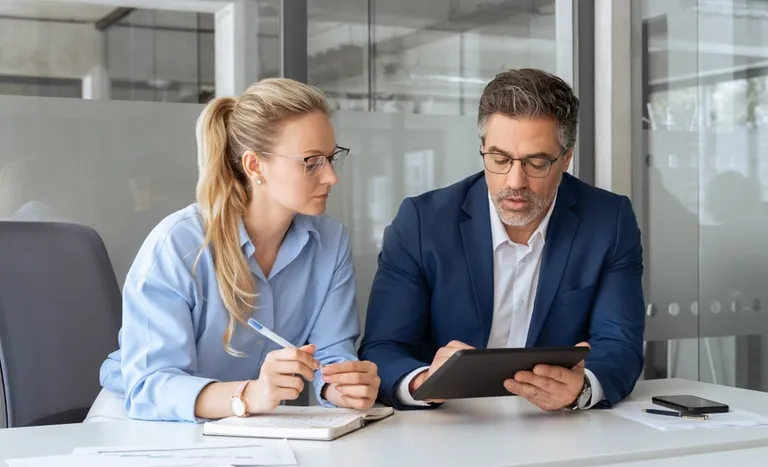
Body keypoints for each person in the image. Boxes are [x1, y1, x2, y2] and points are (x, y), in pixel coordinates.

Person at [90, 78, 380, 423]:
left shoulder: (331, 242)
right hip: (140, 424)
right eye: (311, 161)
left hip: (246, 428)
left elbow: (331, 355)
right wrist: (249, 394)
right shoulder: (179, 244)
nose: (331, 176)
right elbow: (150, 387)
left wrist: (342, 387)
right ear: (255, 165)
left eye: (331, 158)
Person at [359, 69, 645, 411]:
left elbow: (621, 345)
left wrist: (581, 388)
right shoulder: (423, 222)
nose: (515, 181)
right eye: (499, 159)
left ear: (566, 158)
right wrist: (423, 382)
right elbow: (382, 347)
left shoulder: (608, 221)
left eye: (536, 162)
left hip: (555, 426)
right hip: (445, 424)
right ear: (482, 148)